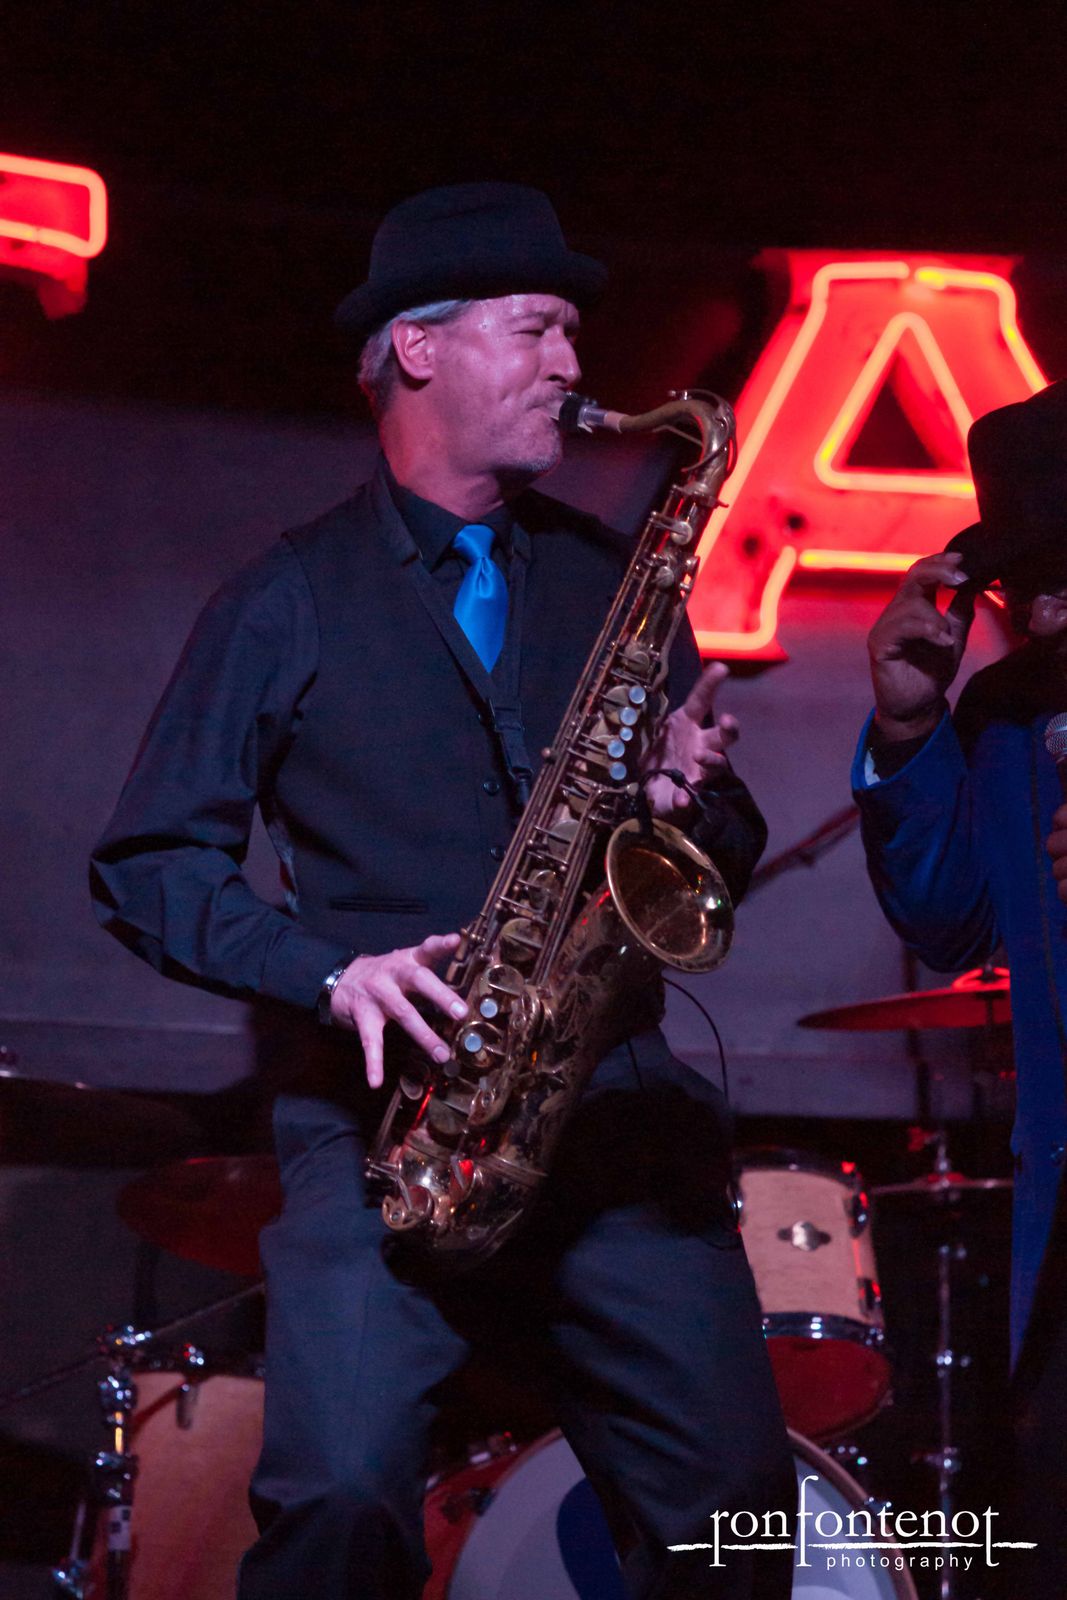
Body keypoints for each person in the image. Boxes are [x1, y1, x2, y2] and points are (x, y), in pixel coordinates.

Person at [91, 182, 794, 1599]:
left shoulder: (612, 580)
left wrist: (691, 798)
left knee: (738, 1517)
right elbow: (148, 865)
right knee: (340, 1505)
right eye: (534, 329)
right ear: (417, 346)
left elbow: (712, 848)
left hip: (612, 1124)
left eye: (570, 333)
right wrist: (326, 972)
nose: (569, 363)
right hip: (385, 1132)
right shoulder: (285, 596)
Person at [853, 378, 1067, 1595]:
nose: (1036, 611)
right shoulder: (1008, 715)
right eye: (1017, 584)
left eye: (1062, 575)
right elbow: (950, 920)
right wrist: (906, 728)